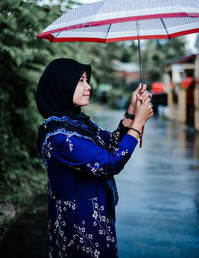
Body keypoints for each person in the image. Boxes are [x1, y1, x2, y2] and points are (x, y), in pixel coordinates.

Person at [36, 58, 153, 258]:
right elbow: (109, 163)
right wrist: (137, 125)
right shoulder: (61, 138)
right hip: (80, 228)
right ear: (62, 85)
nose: (88, 86)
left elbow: (110, 143)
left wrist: (132, 112)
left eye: (86, 80)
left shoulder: (77, 124)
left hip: (94, 218)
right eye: (81, 80)